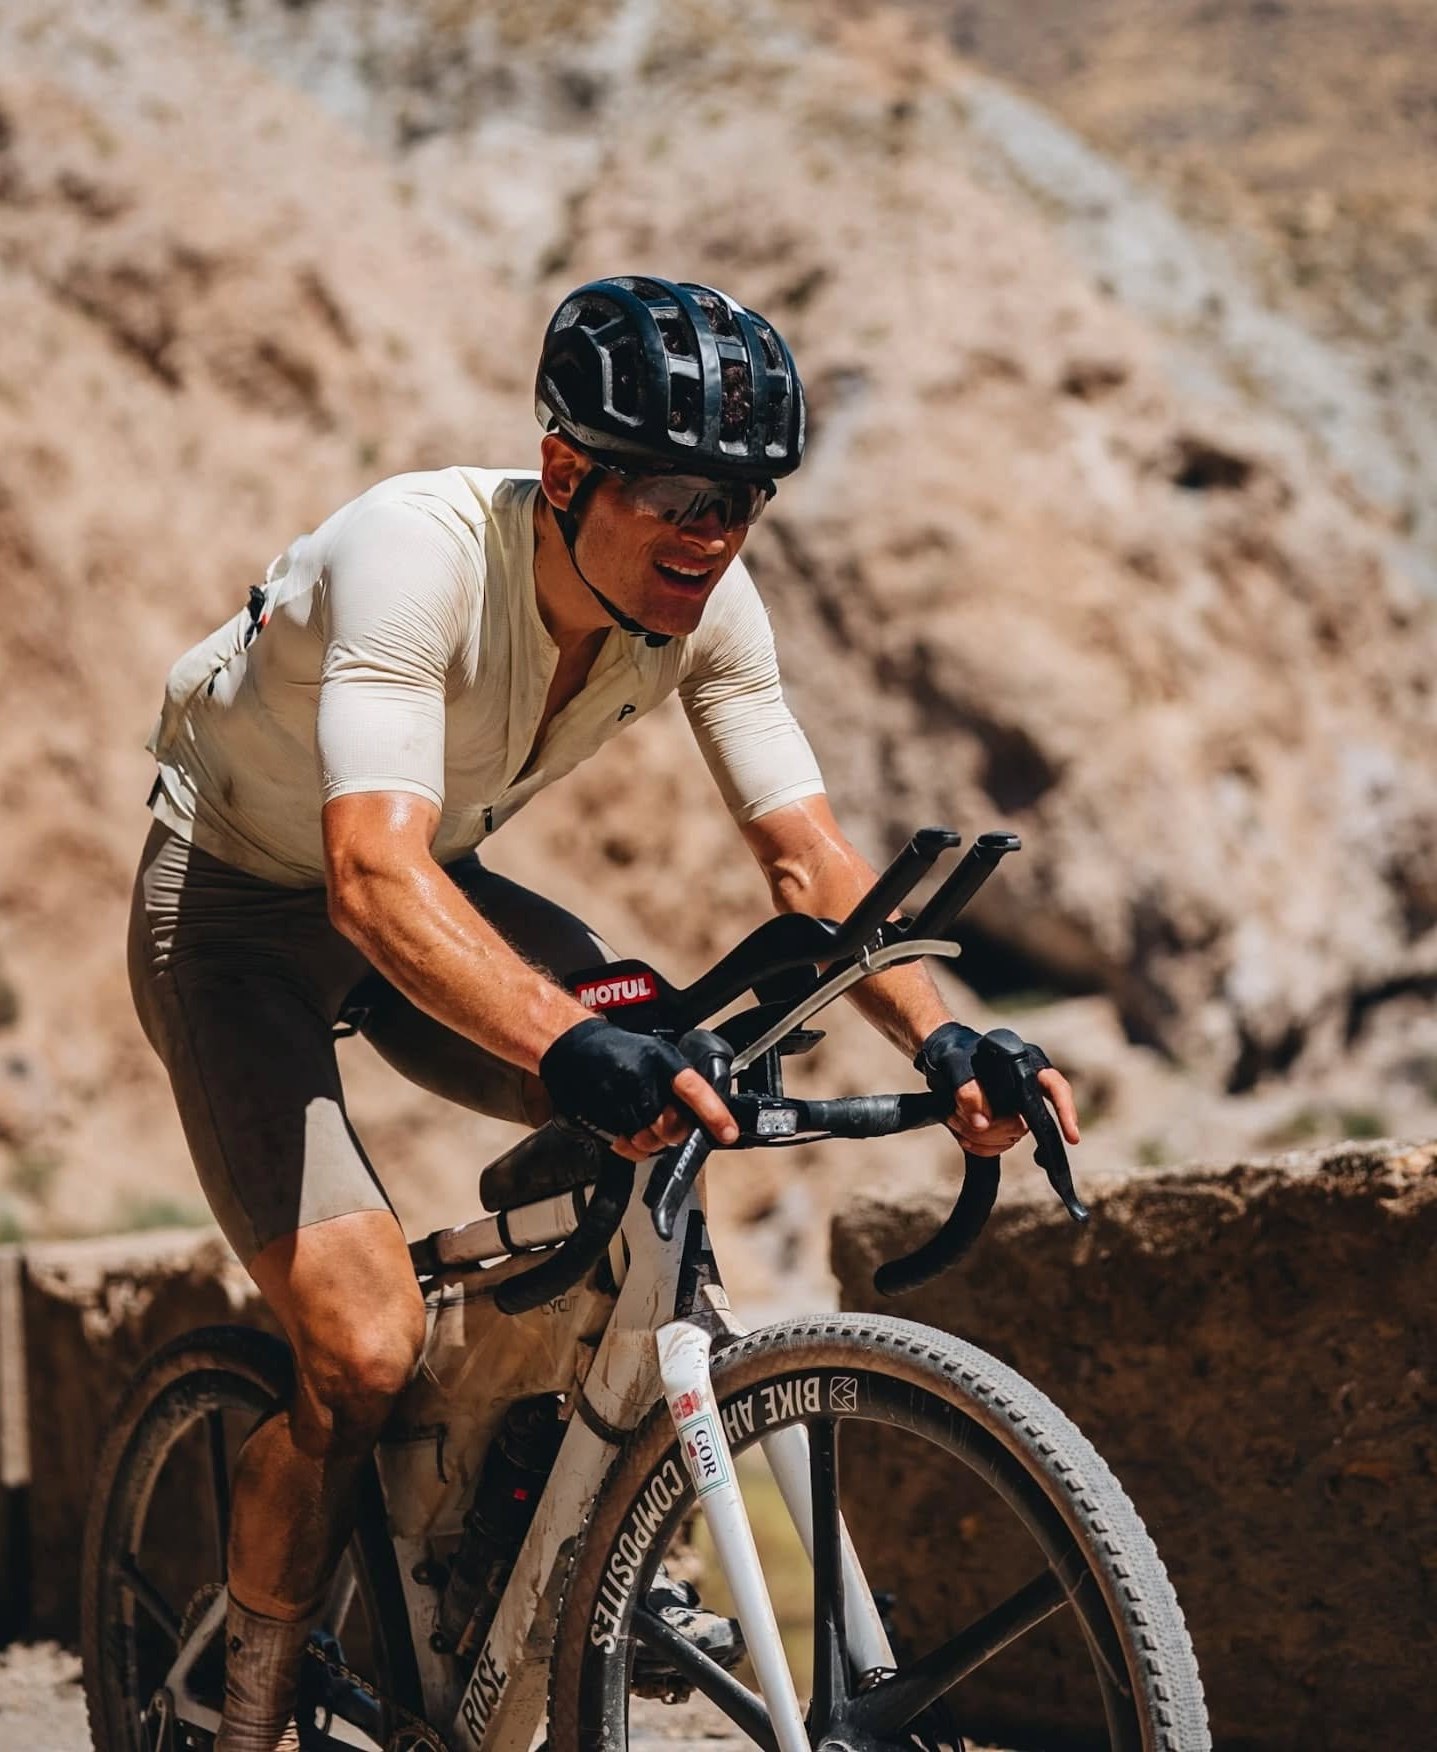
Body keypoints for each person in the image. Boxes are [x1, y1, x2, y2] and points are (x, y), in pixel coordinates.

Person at [128, 275, 1080, 1750]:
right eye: (681, 496)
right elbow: (367, 876)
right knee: (363, 1349)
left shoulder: (706, 607)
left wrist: (943, 1037)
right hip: (241, 916)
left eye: (744, 501)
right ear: (566, 472)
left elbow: (810, 860)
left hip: (432, 886)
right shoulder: (414, 553)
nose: (714, 534)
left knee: (673, 1089)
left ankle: (526, 1519)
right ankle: (247, 1697)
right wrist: (568, 1042)